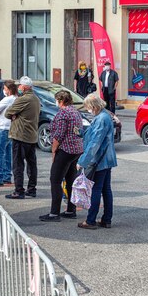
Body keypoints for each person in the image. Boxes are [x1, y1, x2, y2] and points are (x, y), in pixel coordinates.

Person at [40, 90, 84, 222]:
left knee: (55, 180)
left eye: (57, 100)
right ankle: (71, 210)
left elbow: (58, 136)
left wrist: (54, 151)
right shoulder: (75, 112)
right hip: (76, 150)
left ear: (61, 101)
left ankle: (54, 213)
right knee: (70, 180)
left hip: (65, 150)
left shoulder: (63, 114)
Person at [77, 93, 117, 229]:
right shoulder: (105, 115)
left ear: (93, 106)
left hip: (100, 160)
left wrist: (82, 161)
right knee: (106, 189)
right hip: (107, 159)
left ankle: (90, 220)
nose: (88, 109)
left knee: (96, 189)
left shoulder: (101, 119)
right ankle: (106, 219)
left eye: (88, 107)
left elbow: (95, 142)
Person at [5, 76, 40, 199]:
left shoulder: (23, 99)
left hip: (20, 135)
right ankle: (31, 189)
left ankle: (19, 190)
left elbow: (7, 113)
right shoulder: (36, 98)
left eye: (19, 86)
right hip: (32, 136)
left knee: (18, 164)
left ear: (24, 87)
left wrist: (15, 115)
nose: (18, 88)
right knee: (32, 164)